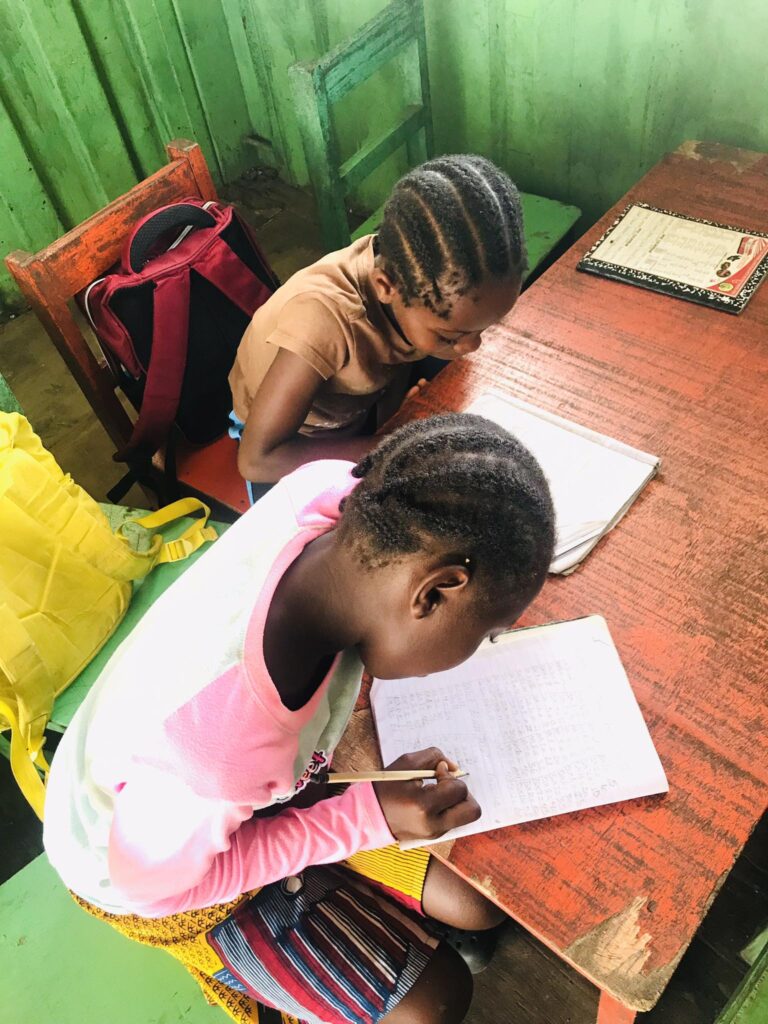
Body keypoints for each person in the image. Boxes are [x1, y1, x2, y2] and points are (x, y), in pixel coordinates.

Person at [43, 413, 555, 1024]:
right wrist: (362, 820)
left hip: (248, 797)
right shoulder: (220, 753)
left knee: (479, 903)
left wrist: (360, 815)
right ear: (434, 592)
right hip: (160, 876)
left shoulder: (333, 492)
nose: (477, 651)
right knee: (433, 1001)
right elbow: (159, 892)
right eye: (487, 632)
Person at [229, 155, 527, 502]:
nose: (471, 346)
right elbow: (257, 460)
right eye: (452, 336)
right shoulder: (323, 320)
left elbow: (399, 348)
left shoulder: (419, 277)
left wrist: (396, 419)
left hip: (360, 407)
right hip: (292, 441)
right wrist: (392, 447)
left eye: (485, 328)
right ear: (385, 286)